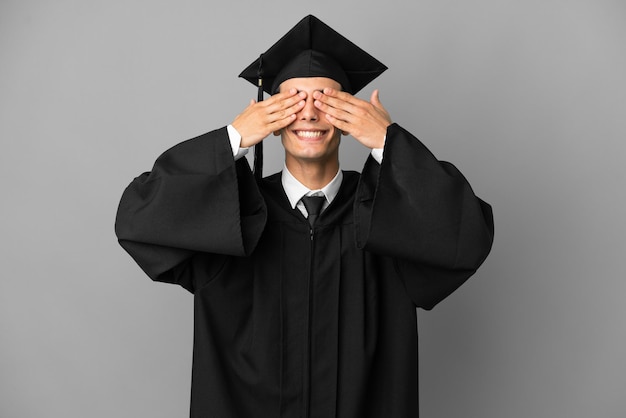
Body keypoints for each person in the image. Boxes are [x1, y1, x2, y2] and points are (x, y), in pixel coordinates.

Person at [115, 15, 494, 418]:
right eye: (293, 100)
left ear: (349, 120)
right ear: (272, 121)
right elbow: (137, 221)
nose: (309, 114)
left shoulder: (386, 218)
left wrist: (389, 143)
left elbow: (469, 236)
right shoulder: (233, 215)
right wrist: (233, 138)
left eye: (327, 100)